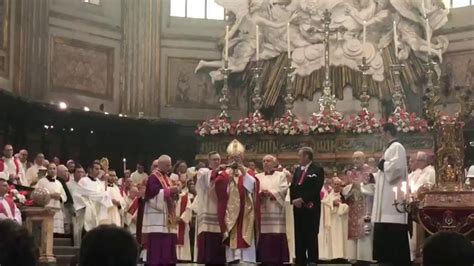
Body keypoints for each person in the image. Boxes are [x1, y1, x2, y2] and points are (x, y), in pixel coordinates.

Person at [214, 139, 260, 264]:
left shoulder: (247, 171)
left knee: (245, 231)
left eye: (238, 157)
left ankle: (247, 258)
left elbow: (253, 186)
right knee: (231, 231)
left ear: (242, 157)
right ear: (228, 158)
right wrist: (225, 175)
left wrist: (243, 172)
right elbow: (218, 186)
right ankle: (232, 257)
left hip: (246, 210)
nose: (235, 160)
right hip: (230, 209)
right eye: (233, 158)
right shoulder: (224, 173)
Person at [372, 123, 410, 264]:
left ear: (388, 132)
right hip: (386, 201)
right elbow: (383, 175)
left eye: (382, 132)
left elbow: (397, 169)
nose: (381, 135)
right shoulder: (389, 148)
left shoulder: (397, 147)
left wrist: (382, 164)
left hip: (392, 202)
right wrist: (373, 176)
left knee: (393, 232)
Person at [139, 155, 180, 265]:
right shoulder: (154, 177)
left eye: (170, 165)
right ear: (160, 165)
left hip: (167, 216)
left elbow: (169, 193)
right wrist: (170, 191)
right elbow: (151, 195)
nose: (170, 167)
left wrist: (175, 194)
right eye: (167, 165)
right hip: (157, 218)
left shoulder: (166, 177)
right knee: (158, 245)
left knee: (168, 243)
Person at [290, 146, 325, 266]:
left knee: (311, 233)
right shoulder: (298, 170)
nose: (298, 158)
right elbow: (293, 186)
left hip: (311, 207)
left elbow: (316, 188)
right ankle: (300, 259)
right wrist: (293, 200)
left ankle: (312, 259)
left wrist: (303, 199)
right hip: (298, 208)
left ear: (306, 156)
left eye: (300, 155)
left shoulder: (317, 170)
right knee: (299, 234)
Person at [255, 154, 289, 264]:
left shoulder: (281, 175)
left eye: (268, 161)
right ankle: (263, 258)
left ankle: (277, 258)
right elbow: (254, 190)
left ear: (274, 163)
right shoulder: (258, 176)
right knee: (263, 233)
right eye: (264, 161)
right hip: (263, 208)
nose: (265, 163)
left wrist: (271, 193)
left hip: (276, 208)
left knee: (276, 232)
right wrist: (260, 194)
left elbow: (284, 189)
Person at [194, 151, 227, 264]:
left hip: (219, 207)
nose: (217, 161)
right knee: (208, 235)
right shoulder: (203, 172)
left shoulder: (224, 173)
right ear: (209, 161)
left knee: (219, 234)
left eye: (218, 159)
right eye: (214, 159)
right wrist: (216, 171)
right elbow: (205, 184)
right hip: (207, 207)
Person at [342, 151, 374, 263]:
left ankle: (364, 259)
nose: (356, 160)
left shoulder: (370, 173)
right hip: (353, 207)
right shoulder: (350, 173)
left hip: (366, 206)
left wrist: (360, 186)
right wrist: (351, 187)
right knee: (354, 235)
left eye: (358, 158)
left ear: (363, 159)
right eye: (354, 158)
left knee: (364, 233)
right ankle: (353, 258)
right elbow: (344, 189)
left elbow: (373, 189)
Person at [318, 176, 349, 261]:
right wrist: (332, 203)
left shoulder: (344, 195)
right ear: (332, 184)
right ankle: (333, 256)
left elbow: (348, 206)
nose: (336, 186)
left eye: (338, 184)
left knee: (342, 238)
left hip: (342, 220)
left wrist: (339, 205)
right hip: (332, 219)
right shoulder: (328, 194)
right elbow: (323, 203)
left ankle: (343, 256)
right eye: (335, 184)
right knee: (333, 239)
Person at [78, 162, 113, 232]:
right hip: (88, 210)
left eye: (99, 169)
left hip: (98, 210)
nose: (99, 171)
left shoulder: (99, 183)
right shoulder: (83, 180)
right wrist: (101, 195)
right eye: (96, 169)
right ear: (90, 170)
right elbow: (86, 193)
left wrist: (103, 195)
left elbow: (104, 194)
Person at [36, 163, 67, 234]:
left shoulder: (59, 183)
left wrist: (59, 197)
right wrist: (50, 195)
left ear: (56, 171)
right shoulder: (41, 181)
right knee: (47, 231)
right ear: (47, 170)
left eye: (54, 169)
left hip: (57, 209)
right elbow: (37, 195)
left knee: (57, 233)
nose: (52, 170)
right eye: (50, 168)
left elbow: (64, 197)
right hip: (47, 209)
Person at [170, 173, 193, 262]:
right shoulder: (170, 197)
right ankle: (173, 256)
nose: (177, 186)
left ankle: (183, 257)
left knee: (183, 238)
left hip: (182, 222)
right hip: (172, 222)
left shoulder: (185, 197)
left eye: (178, 185)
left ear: (182, 186)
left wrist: (181, 218)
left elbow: (189, 209)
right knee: (172, 238)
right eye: (175, 184)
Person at [67, 164, 87, 246]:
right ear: (74, 173)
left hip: (86, 209)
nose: (80, 174)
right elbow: (67, 198)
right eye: (78, 172)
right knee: (77, 231)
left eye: (82, 172)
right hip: (75, 210)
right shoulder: (68, 184)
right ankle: (77, 247)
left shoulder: (86, 184)